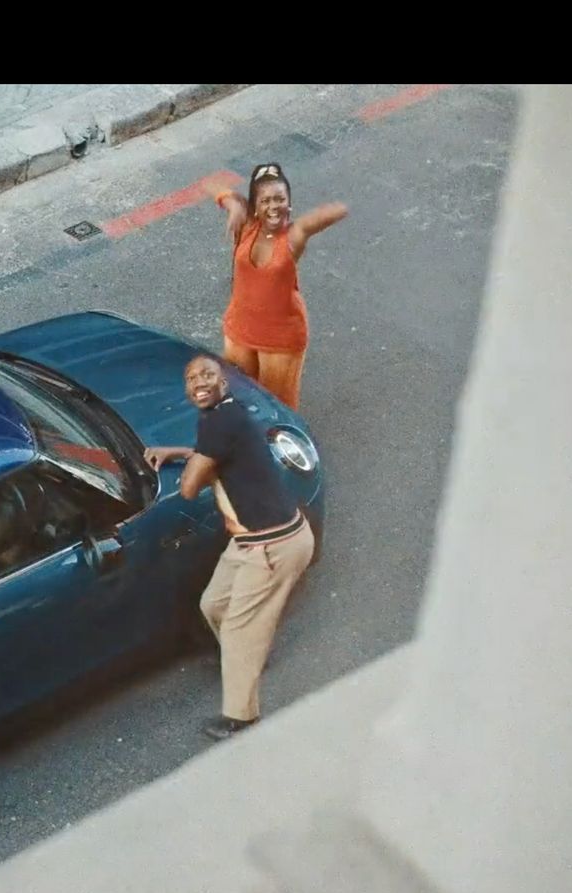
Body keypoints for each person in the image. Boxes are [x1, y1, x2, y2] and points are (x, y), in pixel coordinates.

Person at [144, 354, 315, 740]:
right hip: (251, 542)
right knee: (214, 605)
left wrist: (191, 463)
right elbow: (215, 452)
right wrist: (178, 451)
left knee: (238, 628)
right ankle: (249, 655)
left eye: (208, 374)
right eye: (191, 378)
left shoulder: (221, 420)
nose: (199, 381)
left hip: (272, 547)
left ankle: (242, 717)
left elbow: (188, 489)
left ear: (223, 384)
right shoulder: (224, 415)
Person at [210, 163, 348, 410]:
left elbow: (337, 210)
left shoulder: (294, 236)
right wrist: (231, 203)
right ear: (254, 206)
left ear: (289, 203)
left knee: (275, 408)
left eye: (280, 199)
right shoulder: (246, 224)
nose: (273, 207)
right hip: (240, 331)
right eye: (265, 201)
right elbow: (211, 183)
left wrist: (308, 222)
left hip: (280, 340)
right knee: (236, 395)